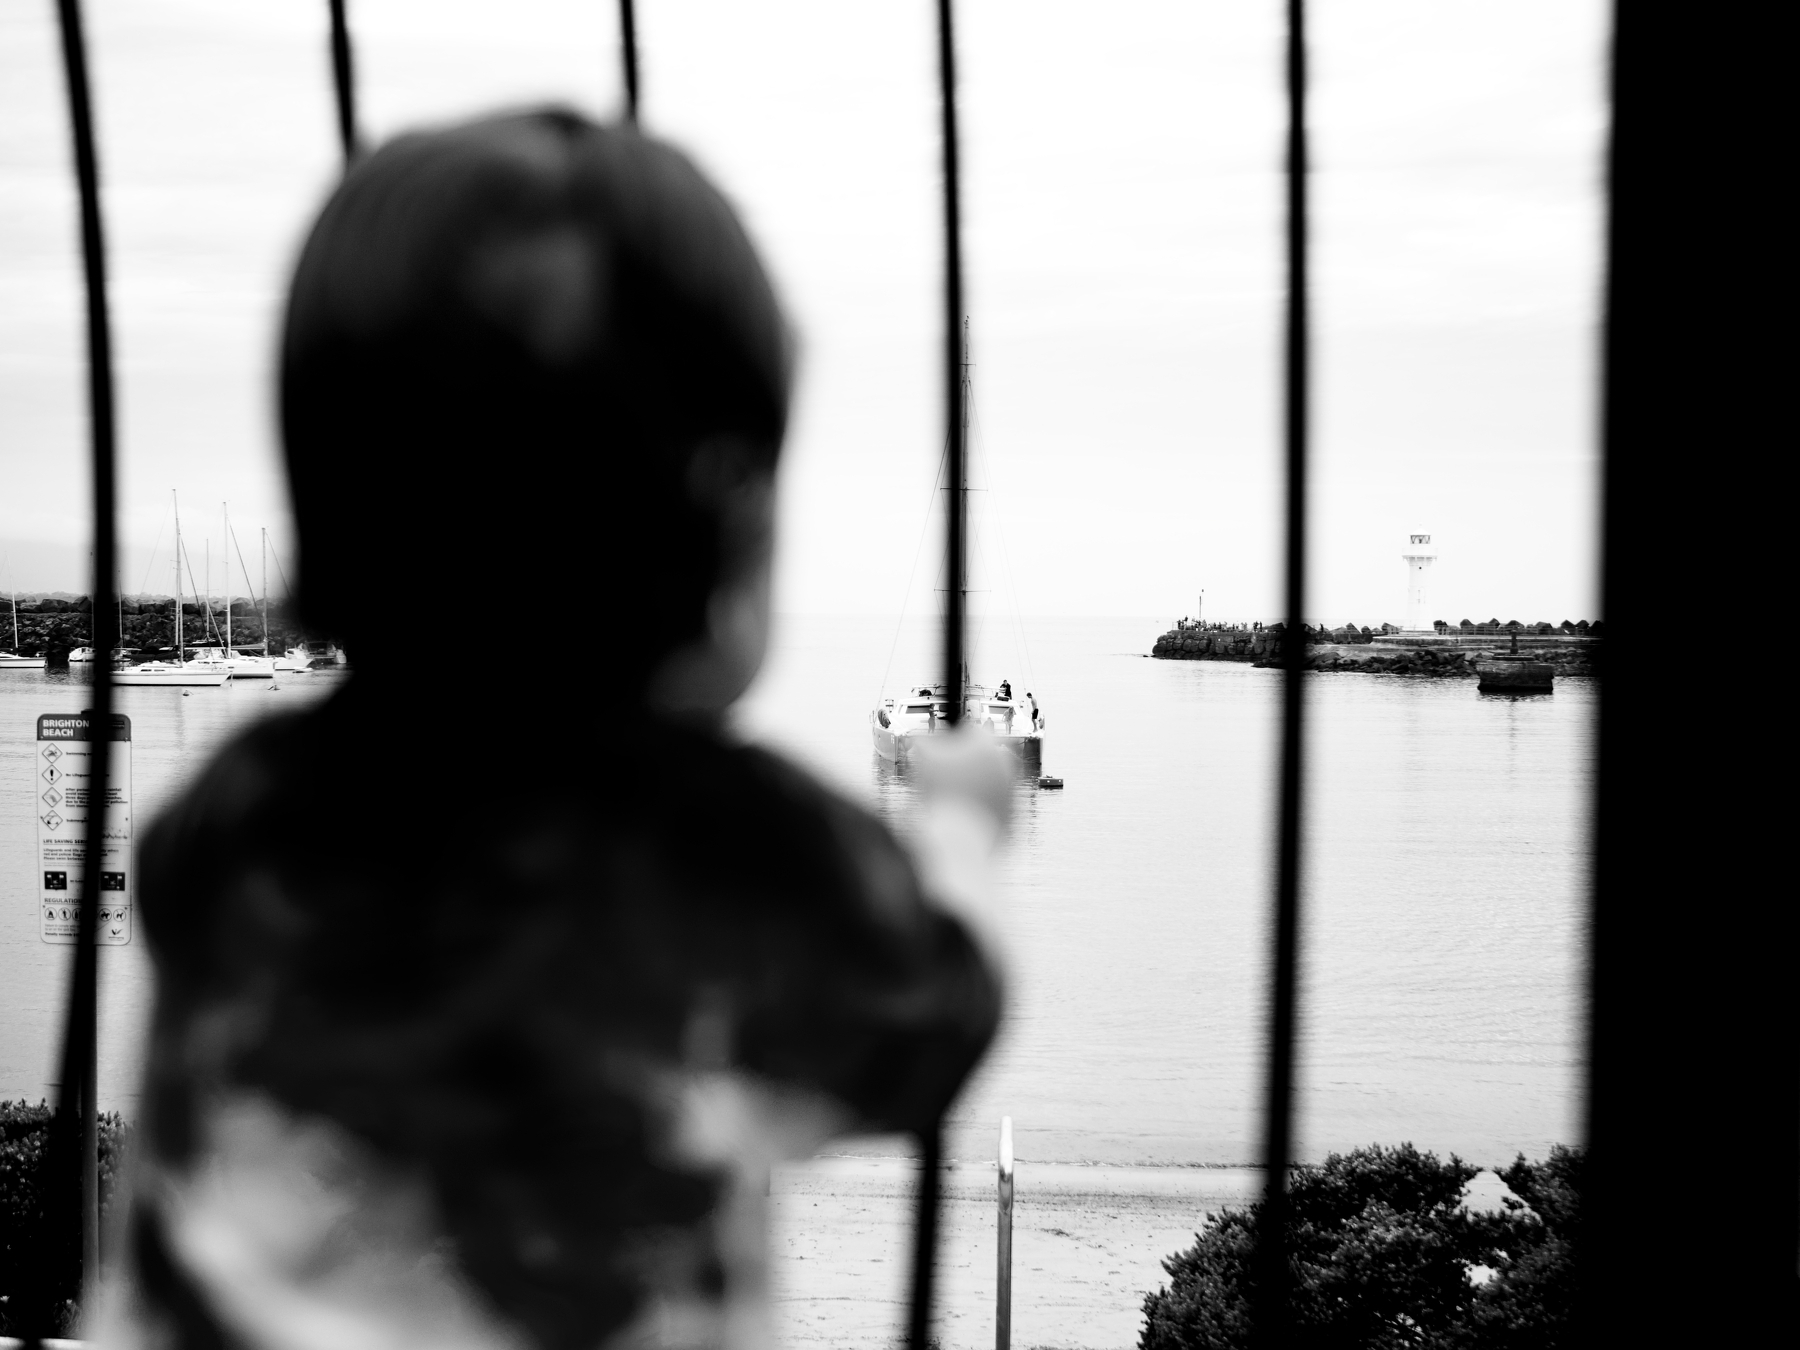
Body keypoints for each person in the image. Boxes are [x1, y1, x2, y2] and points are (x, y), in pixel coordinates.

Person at [102, 110, 1003, 1350]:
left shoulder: (244, 811)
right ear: (726, 523)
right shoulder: (727, 845)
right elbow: (929, 1022)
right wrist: (960, 815)